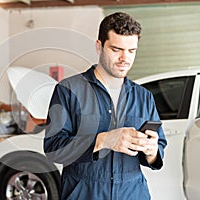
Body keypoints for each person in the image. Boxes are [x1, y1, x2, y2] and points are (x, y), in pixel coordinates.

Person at [43, 12, 167, 200]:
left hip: (133, 192)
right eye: (116, 49)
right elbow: (53, 148)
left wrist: (152, 151)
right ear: (99, 46)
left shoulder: (144, 97)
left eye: (131, 51)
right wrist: (104, 140)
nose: (125, 58)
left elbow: (159, 148)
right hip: (84, 192)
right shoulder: (68, 90)